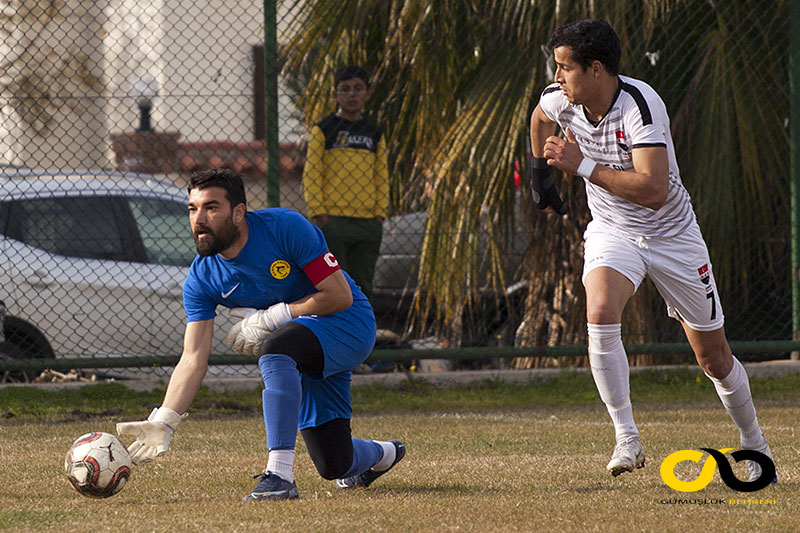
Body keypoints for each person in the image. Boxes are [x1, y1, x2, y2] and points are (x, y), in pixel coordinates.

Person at [529, 19, 776, 482]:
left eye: (565, 68)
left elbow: (654, 189)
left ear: (596, 69)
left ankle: (754, 444)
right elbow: (539, 117)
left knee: (714, 359)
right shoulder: (562, 98)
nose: (557, 77)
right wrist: (540, 179)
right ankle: (627, 438)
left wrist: (580, 165)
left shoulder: (639, 106)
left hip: (672, 237)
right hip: (613, 231)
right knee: (600, 311)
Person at [116, 168, 405, 501]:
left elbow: (340, 296)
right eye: (193, 209)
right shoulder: (202, 277)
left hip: (348, 325)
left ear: (239, 212)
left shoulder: (284, 227)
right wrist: (165, 419)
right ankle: (385, 454)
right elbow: (194, 357)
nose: (199, 219)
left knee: (276, 348)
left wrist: (275, 316)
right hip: (302, 346)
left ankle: (279, 475)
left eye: (212, 207)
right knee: (334, 464)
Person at [302, 65, 389, 303]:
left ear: (367, 94)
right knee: (332, 285)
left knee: (363, 285)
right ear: (336, 95)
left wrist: (379, 213)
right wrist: (320, 212)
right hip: (333, 221)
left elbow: (381, 174)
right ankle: (333, 335)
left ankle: (362, 336)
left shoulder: (374, 133)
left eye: (358, 89)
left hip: (367, 222)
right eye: (345, 89)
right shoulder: (324, 130)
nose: (352, 94)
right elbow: (312, 173)